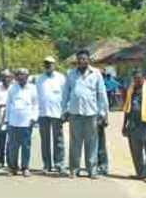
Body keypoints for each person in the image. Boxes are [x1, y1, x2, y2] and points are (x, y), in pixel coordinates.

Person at [62, 50, 109, 179]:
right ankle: (74, 169)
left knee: (92, 142)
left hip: (91, 113)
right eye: (80, 59)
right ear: (76, 60)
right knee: (75, 142)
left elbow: (101, 93)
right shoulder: (70, 74)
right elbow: (65, 93)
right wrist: (64, 110)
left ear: (88, 60)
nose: (82, 61)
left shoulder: (96, 73)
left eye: (84, 59)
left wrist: (103, 112)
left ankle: (92, 170)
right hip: (75, 113)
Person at [122, 70, 146, 183]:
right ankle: (140, 173)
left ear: (144, 78)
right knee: (136, 151)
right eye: (135, 78)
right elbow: (127, 109)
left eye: (139, 78)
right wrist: (124, 125)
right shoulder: (131, 90)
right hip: (133, 125)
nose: (137, 80)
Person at [36, 56, 67, 176]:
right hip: (43, 113)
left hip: (57, 113)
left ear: (54, 64)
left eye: (50, 64)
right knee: (45, 140)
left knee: (58, 140)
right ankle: (47, 164)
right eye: (46, 64)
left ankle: (59, 164)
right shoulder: (39, 79)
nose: (48, 66)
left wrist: (65, 111)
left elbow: (66, 95)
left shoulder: (61, 78)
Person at [5, 68, 38, 177]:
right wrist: (7, 120)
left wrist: (34, 118)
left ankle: (25, 168)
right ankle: (12, 168)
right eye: (19, 75)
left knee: (26, 146)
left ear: (27, 76)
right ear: (17, 76)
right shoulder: (12, 88)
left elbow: (35, 104)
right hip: (13, 122)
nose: (21, 77)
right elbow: (8, 104)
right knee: (13, 146)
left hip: (27, 122)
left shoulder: (32, 88)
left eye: (24, 75)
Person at [0, 69, 12, 168]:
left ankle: (10, 160)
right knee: (1, 140)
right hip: (0, 117)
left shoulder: (13, 88)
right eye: (4, 77)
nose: (6, 79)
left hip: (11, 117)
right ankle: (0, 160)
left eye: (8, 77)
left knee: (10, 141)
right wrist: (1, 105)